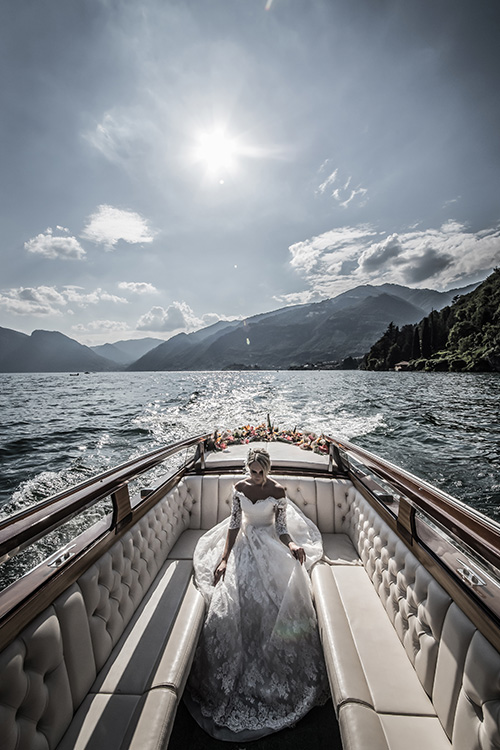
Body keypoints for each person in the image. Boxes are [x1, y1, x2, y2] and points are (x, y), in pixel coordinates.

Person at [185, 446, 329, 742]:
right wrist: (224, 558)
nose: (258, 476)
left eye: (262, 471)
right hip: (244, 543)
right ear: (247, 469)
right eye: (254, 471)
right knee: (230, 601)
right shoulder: (239, 488)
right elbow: (235, 525)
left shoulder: (277, 491)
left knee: (280, 598)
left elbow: (282, 529)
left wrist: (291, 546)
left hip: (271, 542)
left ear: (269, 469)